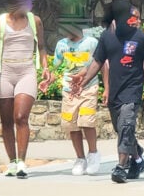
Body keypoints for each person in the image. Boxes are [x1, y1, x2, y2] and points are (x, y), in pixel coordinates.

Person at [70, 0, 144, 183]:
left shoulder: (140, 37)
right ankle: (137, 159)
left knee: (126, 126)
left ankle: (121, 167)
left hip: (133, 90)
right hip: (115, 93)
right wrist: (83, 82)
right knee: (121, 130)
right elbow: (97, 62)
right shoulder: (106, 37)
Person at [0, 0, 51, 178]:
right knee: (6, 121)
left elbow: (42, 47)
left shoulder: (35, 21)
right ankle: (11, 162)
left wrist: (45, 67)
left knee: (20, 116)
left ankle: (22, 162)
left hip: (26, 71)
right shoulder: (0, 22)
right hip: (5, 72)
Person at [46, 23, 109, 175]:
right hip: (69, 91)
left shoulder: (92, 42)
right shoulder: (61, 45)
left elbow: (102, 65)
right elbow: (57, 67)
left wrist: (107, 87)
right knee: (71, 124)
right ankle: (80, 158)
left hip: (88, 88)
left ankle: (93, 154)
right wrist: (48, 80)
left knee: (86, 121)